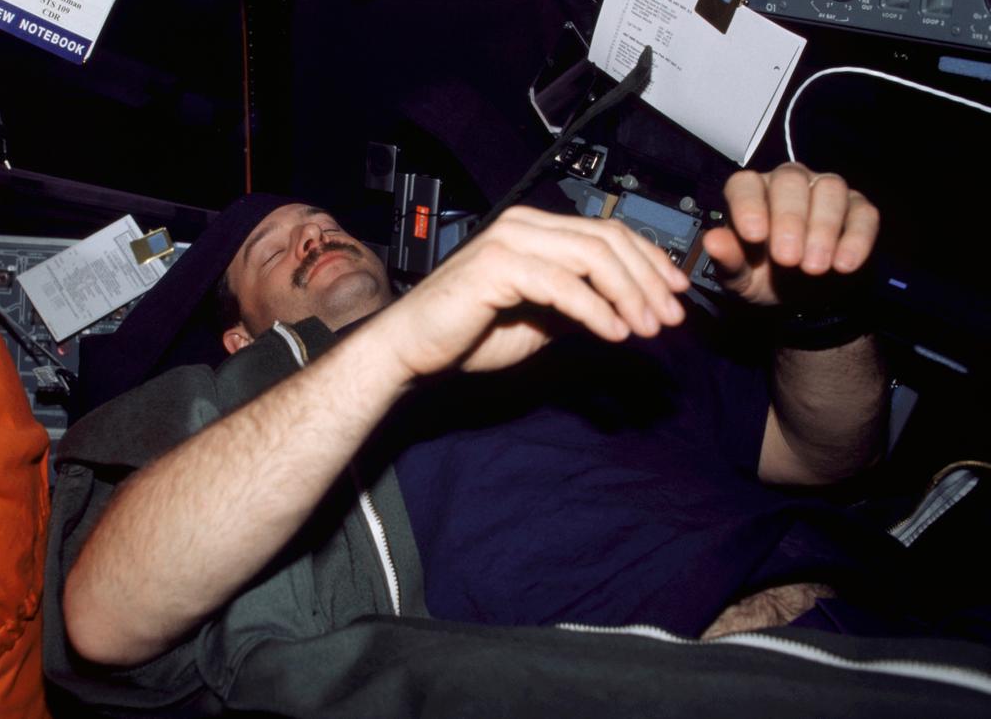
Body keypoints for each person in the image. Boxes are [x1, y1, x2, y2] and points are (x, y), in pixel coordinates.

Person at [44, 162, 908, 715]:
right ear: (241, 337)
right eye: (273, 252)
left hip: (887, 624)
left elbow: (825, 457)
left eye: (322, 220)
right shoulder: (234, 411)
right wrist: (397, 347)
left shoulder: (577, 312)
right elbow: (103, 619)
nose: (314, 234)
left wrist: (822, 312)